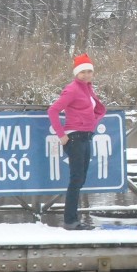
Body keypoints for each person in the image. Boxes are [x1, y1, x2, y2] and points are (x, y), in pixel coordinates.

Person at [47, 53, 107, 230]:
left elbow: (93, 110)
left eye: (89, 71)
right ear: (76, 73)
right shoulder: (72, 89)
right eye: (83, 72)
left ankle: (73, 218)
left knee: (80, 179)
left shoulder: (88, 89)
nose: (87, 75)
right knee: (76, 179)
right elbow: (53, 111)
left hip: (86, 136)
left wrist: (92, 123)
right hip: (74, 138)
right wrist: (61, 135)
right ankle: (70, 221)